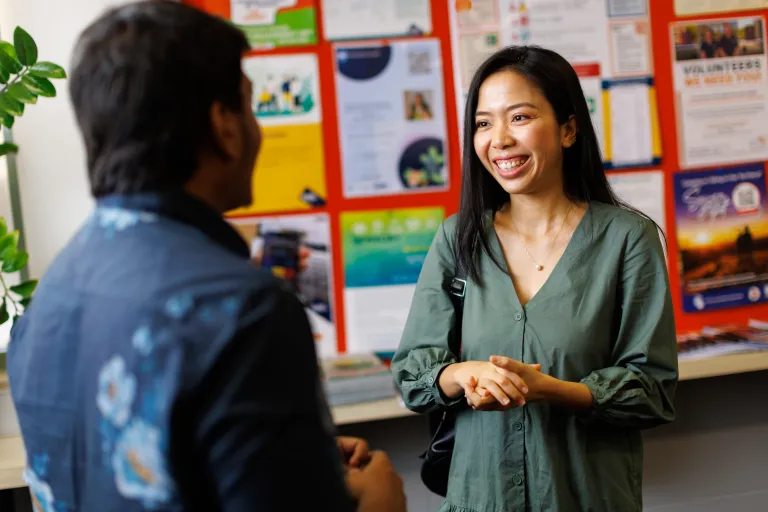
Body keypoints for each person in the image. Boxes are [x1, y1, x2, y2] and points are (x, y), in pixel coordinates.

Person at [6, 2, 406, 511]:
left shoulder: (46, 302)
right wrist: (381, 506)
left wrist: (289, 456)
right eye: (249, 104)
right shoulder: (241, 309)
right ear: (224, 125)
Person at [392, 45, 678, 512]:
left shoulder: (628, 239)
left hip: (586, 498)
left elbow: (652, 390)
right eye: (483, 123)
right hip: (480, 498)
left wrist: (547, 389)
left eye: (519, 117)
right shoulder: (457, 238)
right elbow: (412, 374)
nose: (498, 139)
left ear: (567, 129)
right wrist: (462, 374)